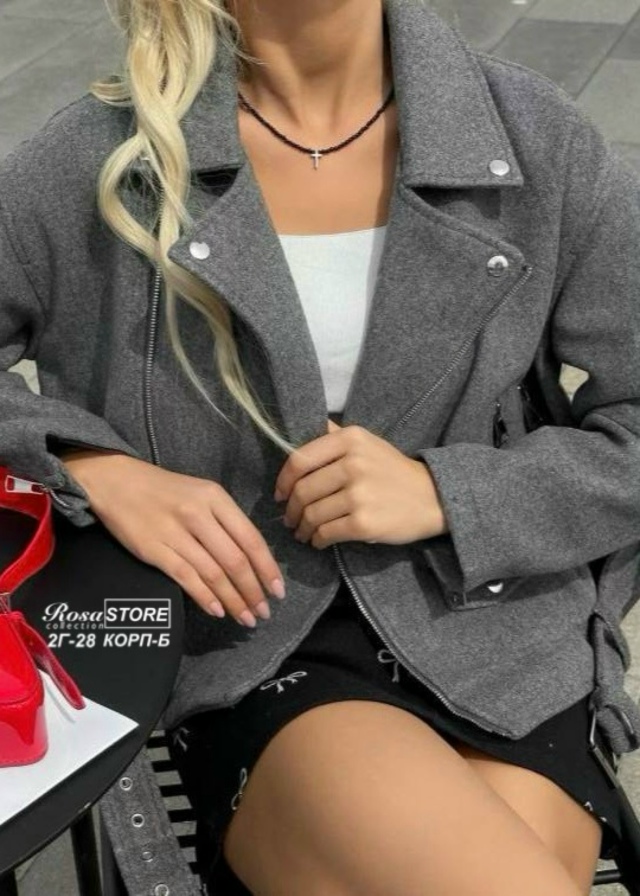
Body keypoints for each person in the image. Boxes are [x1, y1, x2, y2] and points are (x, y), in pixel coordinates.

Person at [1, 0, 639, 893]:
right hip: (258, 635)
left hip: (501, 633)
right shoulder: (102, 159)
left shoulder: (537, 142)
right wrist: (91, 466)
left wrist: (449, 493)